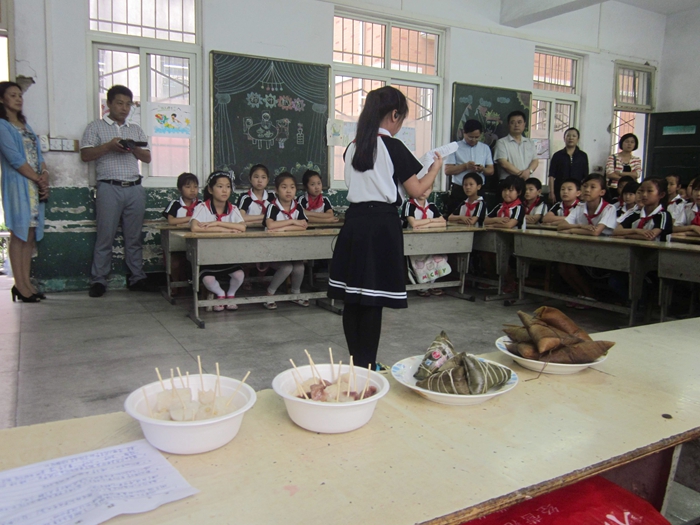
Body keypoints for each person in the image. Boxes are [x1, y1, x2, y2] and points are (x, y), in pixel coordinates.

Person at [327, 86, 442, 369]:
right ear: (394, 115)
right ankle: (369, 367)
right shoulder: (393, 146)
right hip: (381, 225)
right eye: (402, 119)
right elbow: (416, 190)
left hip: (354, 223)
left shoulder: (353, 147)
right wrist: (435, 169)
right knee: (373, 299)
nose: (401, 125)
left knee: (353, 297)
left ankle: (358, 362)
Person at [80, 85, 151, 298]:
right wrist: (109, 146)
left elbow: (147, 157)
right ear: (108, 104)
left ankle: (136, 277)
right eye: (120, 103)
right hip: (108, 188)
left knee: (134, 237)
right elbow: (85, 155)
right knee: (105, 237)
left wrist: (132, 148)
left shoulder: (135, 129)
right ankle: (99, 280)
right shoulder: (95, 127)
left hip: (134, 188)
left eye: (128, 104)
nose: (124, 108)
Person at [0, 81, 50, 302]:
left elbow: (38, 156)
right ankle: (19, 285)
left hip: (34, 184)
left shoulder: (25, 126)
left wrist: (44, 174)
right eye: (12, 95)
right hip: (19, 185)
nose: (18, 99)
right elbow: (15, 159)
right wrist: (37, 179)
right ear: (2, 100)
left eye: (20, 95)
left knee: (29, 235)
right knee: (19, 234)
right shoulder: (2, 126)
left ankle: (27, 283)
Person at [190, 171, 246, 311]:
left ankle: (231, 294)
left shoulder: (233, 209)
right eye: (220, 186)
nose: (225, 190)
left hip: (228, 254)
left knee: (239, 275)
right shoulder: (202, 207)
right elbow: (194, 228)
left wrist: (217, 224)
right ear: (210, 189)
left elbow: (242, 227)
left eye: (228, 186)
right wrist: (224, 230)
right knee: (208, 279)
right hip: (207, 256)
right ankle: (220, 293)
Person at [263, 172, 309, 309]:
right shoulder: (273, 207)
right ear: (276, 190)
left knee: (299, 267)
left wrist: (283, 228)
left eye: (292, 187)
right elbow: (270, 225)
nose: (289, 191)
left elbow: (303, 226)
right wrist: (293, 222)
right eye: (284, 187)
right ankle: (269, 294)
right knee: (287, 267)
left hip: (293, 249)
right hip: (273, 250)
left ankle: (295, 293)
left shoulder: (298, 207)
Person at [401, 187, 446, 296]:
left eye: (427, 188)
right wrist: (432, 221)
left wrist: (428, 224)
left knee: (435, 259)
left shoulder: (432, 206)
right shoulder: (409, 205)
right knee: (417, 263)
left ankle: (431, 284)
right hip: (411, 242)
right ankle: (420, 286)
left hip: (429, 241)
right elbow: (414, 224)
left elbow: (443, 223)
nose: (423, 191)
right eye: (421, 188)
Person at [443, 119, 494, 216]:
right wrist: (465, 166)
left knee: (478, 219)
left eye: (477, 137)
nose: (474, 140)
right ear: (464, 133)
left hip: (478, 190)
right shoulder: (454, 147)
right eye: (470, 137)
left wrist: (482, 169)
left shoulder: (485, 148)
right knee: (455, 218)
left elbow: (491, 170)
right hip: (459, 190)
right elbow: (447, 170)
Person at [547, 127, 589, 204]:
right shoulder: (557, 155)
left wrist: (583, 191)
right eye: (568, 136)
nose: (571, 138)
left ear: (578, 139)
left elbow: (585, 176)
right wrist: (551, 192)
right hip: (560, 190)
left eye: (574, 136)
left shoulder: (583, 156)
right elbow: (551, 175)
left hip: (577, 192)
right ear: (564, 138)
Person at [494, 111, 538, 181]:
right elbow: (503, 163)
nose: (516, 125)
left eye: (519, 122)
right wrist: (522, 175)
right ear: (508, 125)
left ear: (524, 124)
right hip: (509, 182)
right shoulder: (502, 142)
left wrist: (529, 171)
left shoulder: (530, 142)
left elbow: (535, 160)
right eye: (513, 122)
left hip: (527, 181)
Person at [605, 133, 642, 198]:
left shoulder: (637, 159)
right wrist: (627, 179)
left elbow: (637, 174)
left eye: (632, 142)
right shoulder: (613, 157)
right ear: (621, 143)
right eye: (627, 141)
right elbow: (610, 174)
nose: (629, 144)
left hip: (631, 190)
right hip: (613, 189)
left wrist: (620, 173)